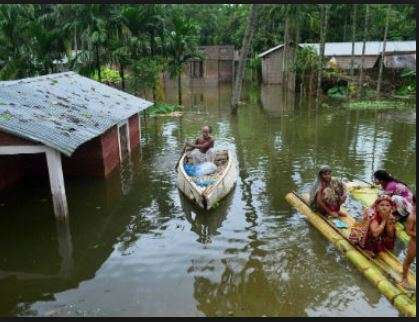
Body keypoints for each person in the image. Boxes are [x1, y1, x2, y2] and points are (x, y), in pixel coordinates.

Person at [401, 196, 416, 288]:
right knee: (408, 261)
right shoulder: (412, 217)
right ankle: (404, 278)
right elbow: (408, 231)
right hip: (414, 243)